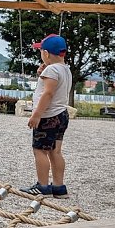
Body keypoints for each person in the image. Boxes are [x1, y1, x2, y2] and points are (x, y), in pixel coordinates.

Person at [22, 34, 72, 199]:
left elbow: (48, 93)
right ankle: (59, 187)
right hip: (61, 114)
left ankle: (42, 186)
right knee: (55, 151)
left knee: (40, 151)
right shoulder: (65, 69)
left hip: (48, 116)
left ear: (46, 53)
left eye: (41, 51)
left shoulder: (51, 70)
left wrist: (37, 114)